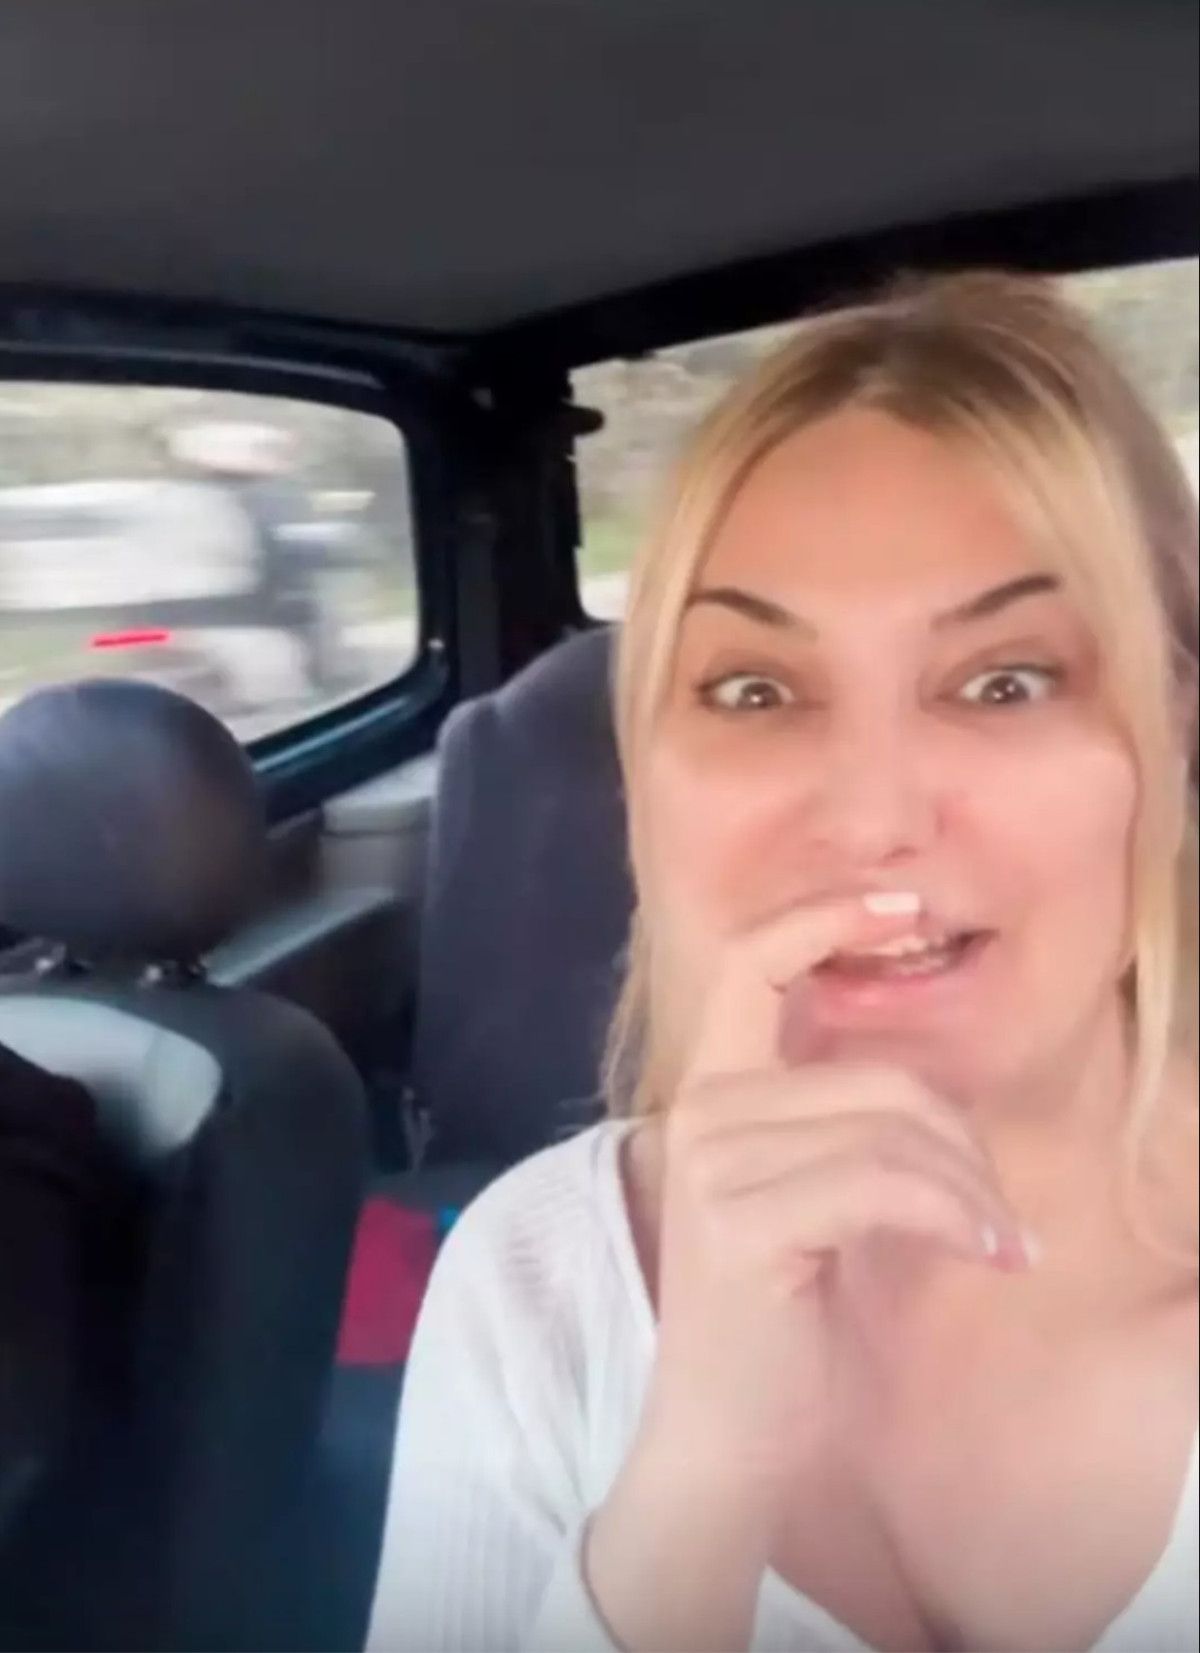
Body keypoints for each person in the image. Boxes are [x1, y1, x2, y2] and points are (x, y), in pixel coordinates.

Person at [366, 273, 1199, 1653]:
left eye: (1006, 680)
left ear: (1168, 735)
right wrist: (698, 1472)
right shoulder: (539, 1280)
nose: (869, 819)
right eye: (754, 690)